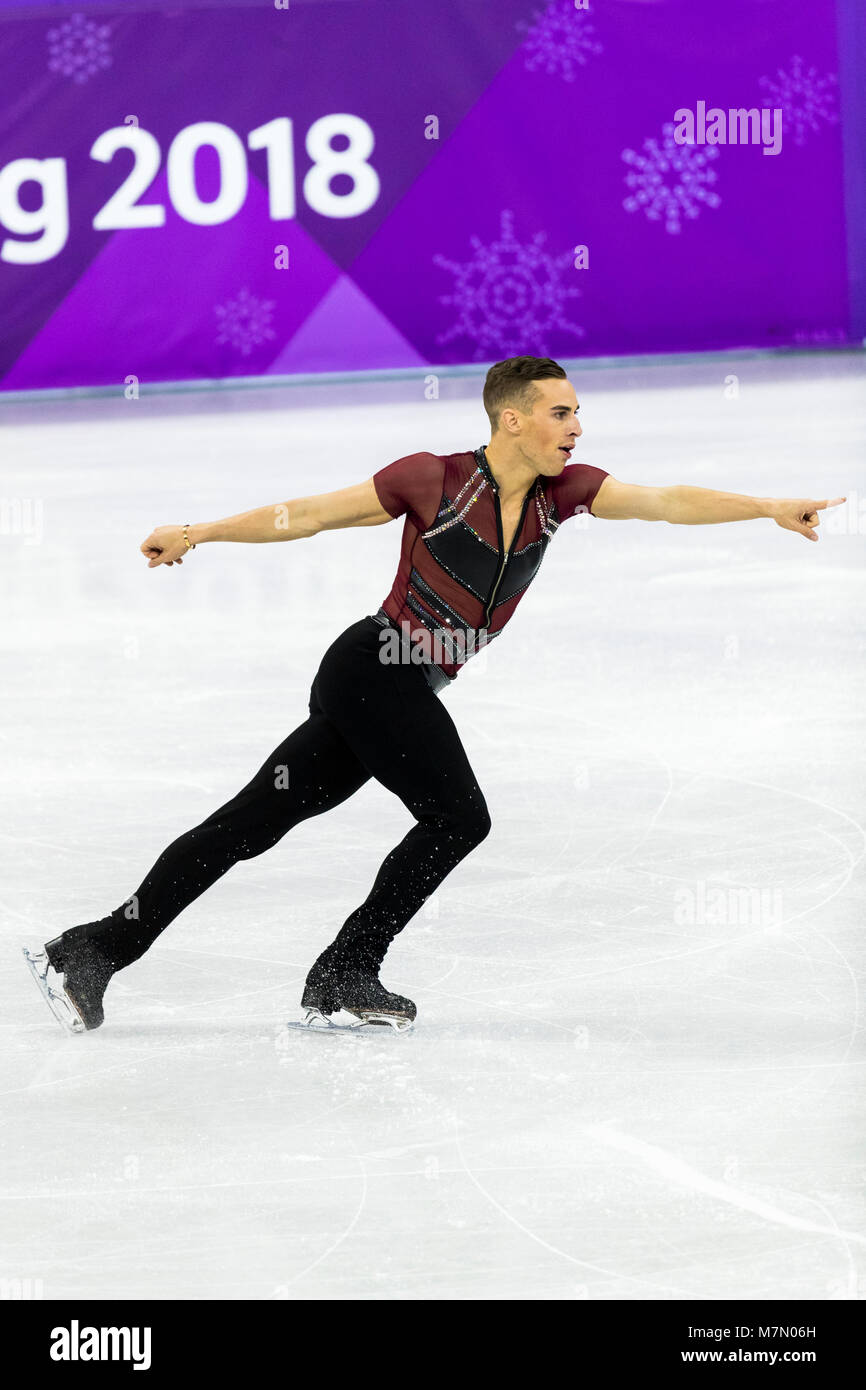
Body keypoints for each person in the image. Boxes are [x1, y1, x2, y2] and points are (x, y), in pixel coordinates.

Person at [25, 355, 844, 1034]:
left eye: (577, 413)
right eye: (561, 413)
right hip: (375, 665)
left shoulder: (567, 495)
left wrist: (767, 508)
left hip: (403, 682)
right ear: (511, 419)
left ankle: (90, 949)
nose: (577, 428)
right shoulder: (434, 479)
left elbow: (667, 503)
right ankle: (346, 967)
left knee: (249, 824)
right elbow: (306, 515)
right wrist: (198, 531)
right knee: (458, 817)